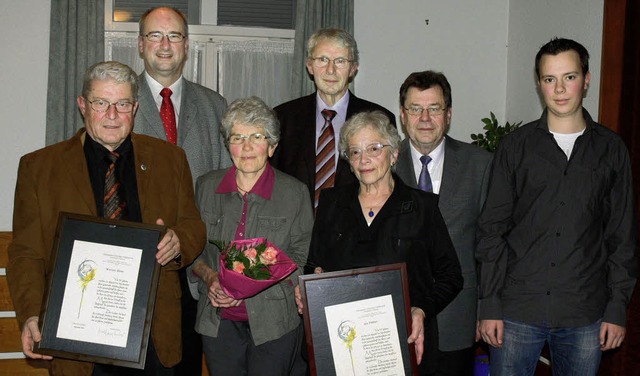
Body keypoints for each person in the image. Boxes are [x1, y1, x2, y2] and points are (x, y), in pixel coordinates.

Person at [7, 61, 206, 375]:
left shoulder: (170, 159)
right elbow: (26, 253)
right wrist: (32, 315)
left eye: (122, 104)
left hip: (153, 338)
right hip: (77, 340)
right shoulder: (39, 168)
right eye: (101, 103)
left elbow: (194, 225)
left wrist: (178, 240)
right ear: (82, 105)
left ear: (135, 107)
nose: (112, 115)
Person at [476, 37, 638, 375]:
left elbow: (622, 236)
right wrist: (489, 303)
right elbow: (492, 230)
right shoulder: (514, 148)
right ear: (539, 85)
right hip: (517, 309)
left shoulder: (612, 150)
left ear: (587, 79)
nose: (560, 89)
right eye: (550, 79)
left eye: (570, 77)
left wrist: (617, 307)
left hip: (584, 312)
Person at [303, 110, 463, 375]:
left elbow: (451, 275)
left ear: (394, 154)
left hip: (402, 343)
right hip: (344, 346)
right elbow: (313, 265)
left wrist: (422, 310)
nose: (363, 159)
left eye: (374, 148)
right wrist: (312, 282)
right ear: (349, 162)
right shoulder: (331, 204)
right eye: (354, 152)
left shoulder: (422, 207)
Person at [136, 8, 233, 373]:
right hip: (137, 272)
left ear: (187, 45)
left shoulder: (214, 106)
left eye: (174, 36)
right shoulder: (118, 105)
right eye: (156, 36)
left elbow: (226, 187)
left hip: (197, 272)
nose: (165, 45)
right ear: (141, 44)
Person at [188, 97, 314, 376]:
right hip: (218, 323)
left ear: (272, 146)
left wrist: (248, 289)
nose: (246, 147)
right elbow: (193, 250)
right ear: (227, 144)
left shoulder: (295, 193)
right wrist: (211, 278)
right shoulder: (206, 187)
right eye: (237, 137)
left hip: (274, 324)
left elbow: (300, 256)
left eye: (257, 137)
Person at [395, 70, 492, 375]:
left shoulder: (480, 165)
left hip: (458, 317)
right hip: (397, 316)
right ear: (402, 115)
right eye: (415, 109)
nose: (424, 118)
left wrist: (484, 310)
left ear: (448, 115)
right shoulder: (382, 164)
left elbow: (489, 246)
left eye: (434, 109)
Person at [272, 28, 397, 208]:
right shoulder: (283, 118)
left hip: (358, 230)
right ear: (309, 66)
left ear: (353, 69)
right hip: (297, 231)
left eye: (340, 61)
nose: (330, 70)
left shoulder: (380, 119)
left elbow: (388, 186)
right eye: (322, 59)